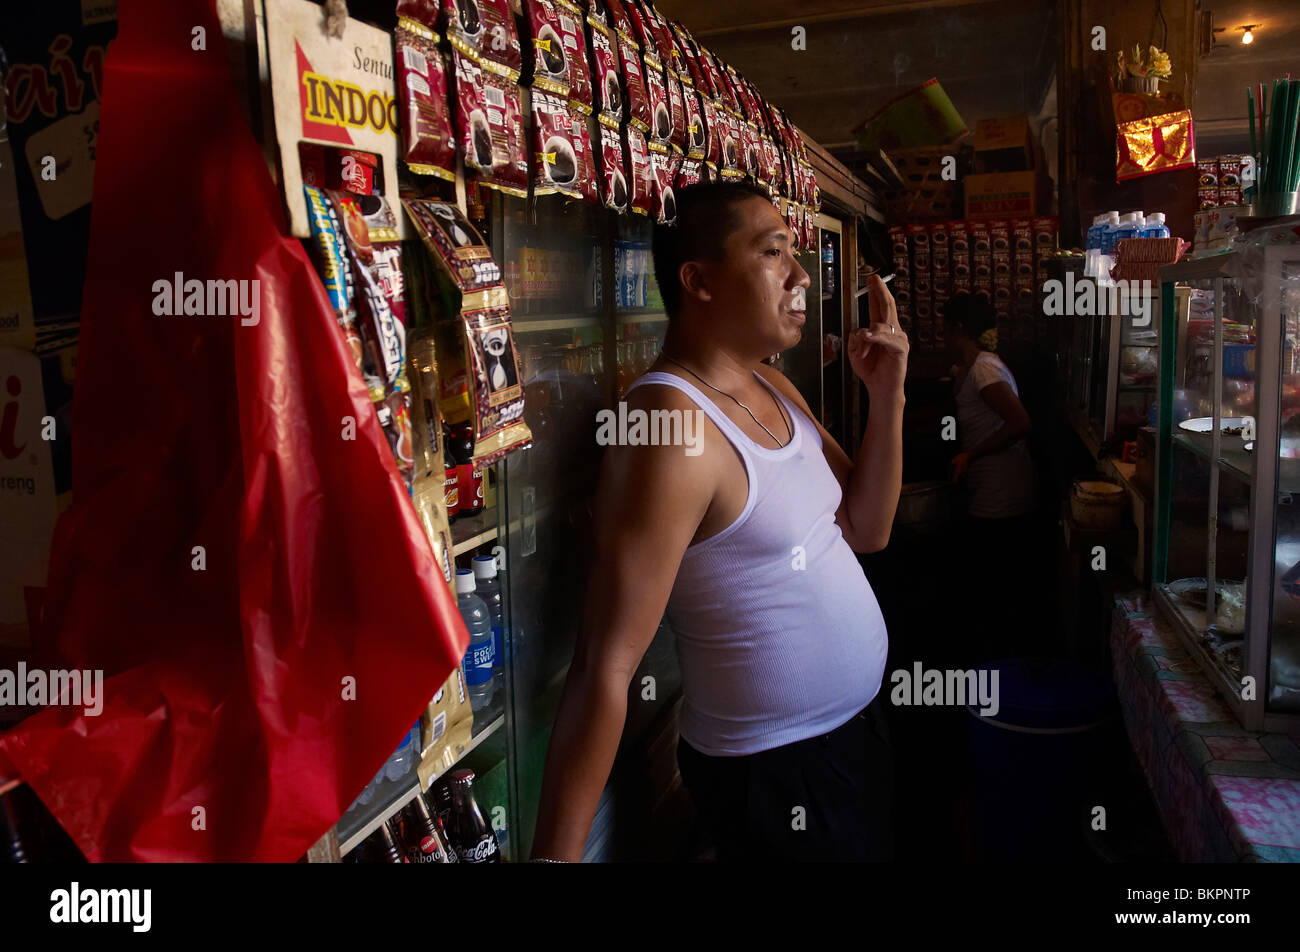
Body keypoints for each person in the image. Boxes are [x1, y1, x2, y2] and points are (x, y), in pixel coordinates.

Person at [529, 181, 908, 862]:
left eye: (794, 253)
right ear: (699, 281)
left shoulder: (772, 386)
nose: (799, 275)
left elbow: (868, 528)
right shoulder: (671, 427)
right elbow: (604, 666)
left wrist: (888, 396)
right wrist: (556, 858)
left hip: (853, 736)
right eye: (773, 252)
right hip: (776, 772)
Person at [941, 292, 1039, 660]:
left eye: (945, 329)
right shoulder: (973, 369)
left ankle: (1001, 670)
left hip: (1003, 497)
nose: (942, 337)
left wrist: (971, 454)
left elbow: (1020, 423)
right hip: (990, 494)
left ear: (959, 329)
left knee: (998, 591)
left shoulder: (985, 369)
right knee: (992, 589)